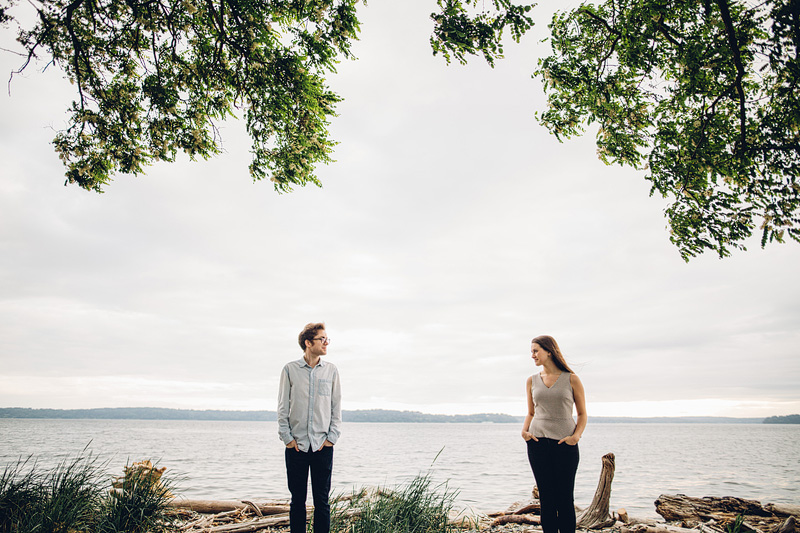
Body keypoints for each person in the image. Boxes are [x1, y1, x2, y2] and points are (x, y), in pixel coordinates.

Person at [277, 322, 342, 533]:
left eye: (326, 339)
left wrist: (332, 438)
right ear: (308, 343)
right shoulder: (290, 370)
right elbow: (282, 407)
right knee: (297, 500)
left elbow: (336, 406)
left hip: (323, 445)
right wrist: (287, 439)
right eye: (322, 339)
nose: (326, 343)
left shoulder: (331, 371)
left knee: (322, 501)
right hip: (297, 446)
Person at [521, 335, 587, 533]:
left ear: (549, 351)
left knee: (565, 498)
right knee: (547, 499)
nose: (532, 355)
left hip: (564, 444)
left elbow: (582, 414)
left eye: (535, 351)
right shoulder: (531, 381)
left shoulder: (572, 379)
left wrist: (575, 437)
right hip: (537, 443)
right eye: (531, 351)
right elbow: (531, 412)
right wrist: (524, 432)